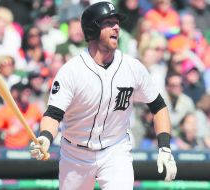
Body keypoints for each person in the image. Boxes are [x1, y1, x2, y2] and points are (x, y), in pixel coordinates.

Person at [30, 2, 177, 190]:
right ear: (92, 28)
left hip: (115, 150)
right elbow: (53, 114)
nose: (116, 26)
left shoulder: (132, 67)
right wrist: (44, 137)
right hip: (76, 154)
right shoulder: (71, 71)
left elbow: (158, 106)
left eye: (117, 22)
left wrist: (164, 146)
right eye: (108, 22)